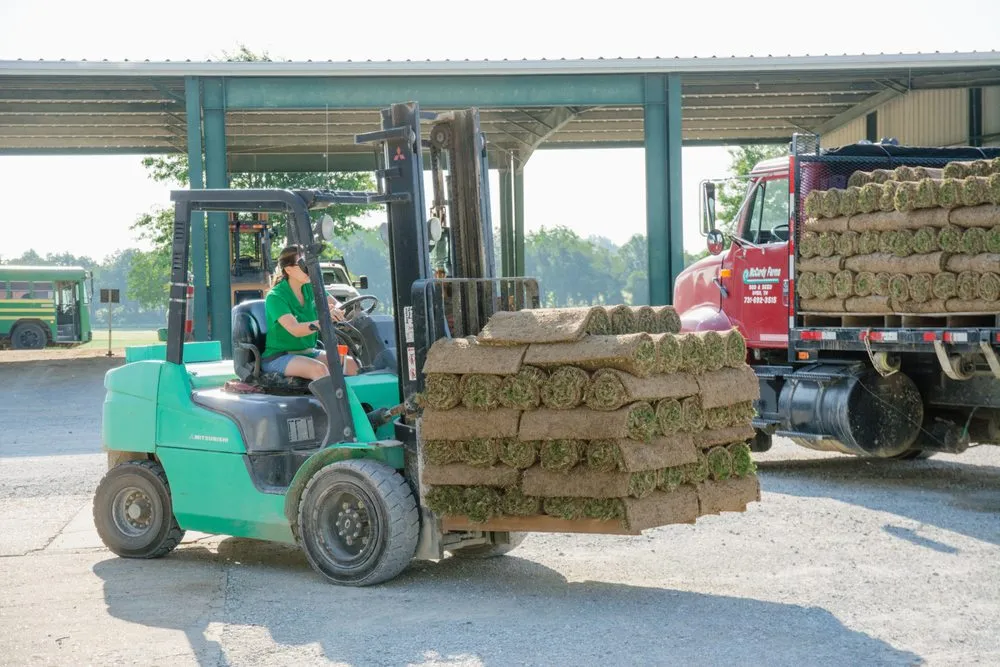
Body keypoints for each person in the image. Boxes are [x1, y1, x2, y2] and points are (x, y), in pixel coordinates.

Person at [261, 244, 359, 380]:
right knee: (318, 369)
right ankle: (331, 401)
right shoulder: (276, 297)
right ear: (288, 269)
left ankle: (357, 401)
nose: (309, 270)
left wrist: (336, 309)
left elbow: (335, 303)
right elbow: (295, 330)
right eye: (303, 265)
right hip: (281, 356)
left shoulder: (310, 288)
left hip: (309, 352)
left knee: (352, 364)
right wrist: (324, 319)